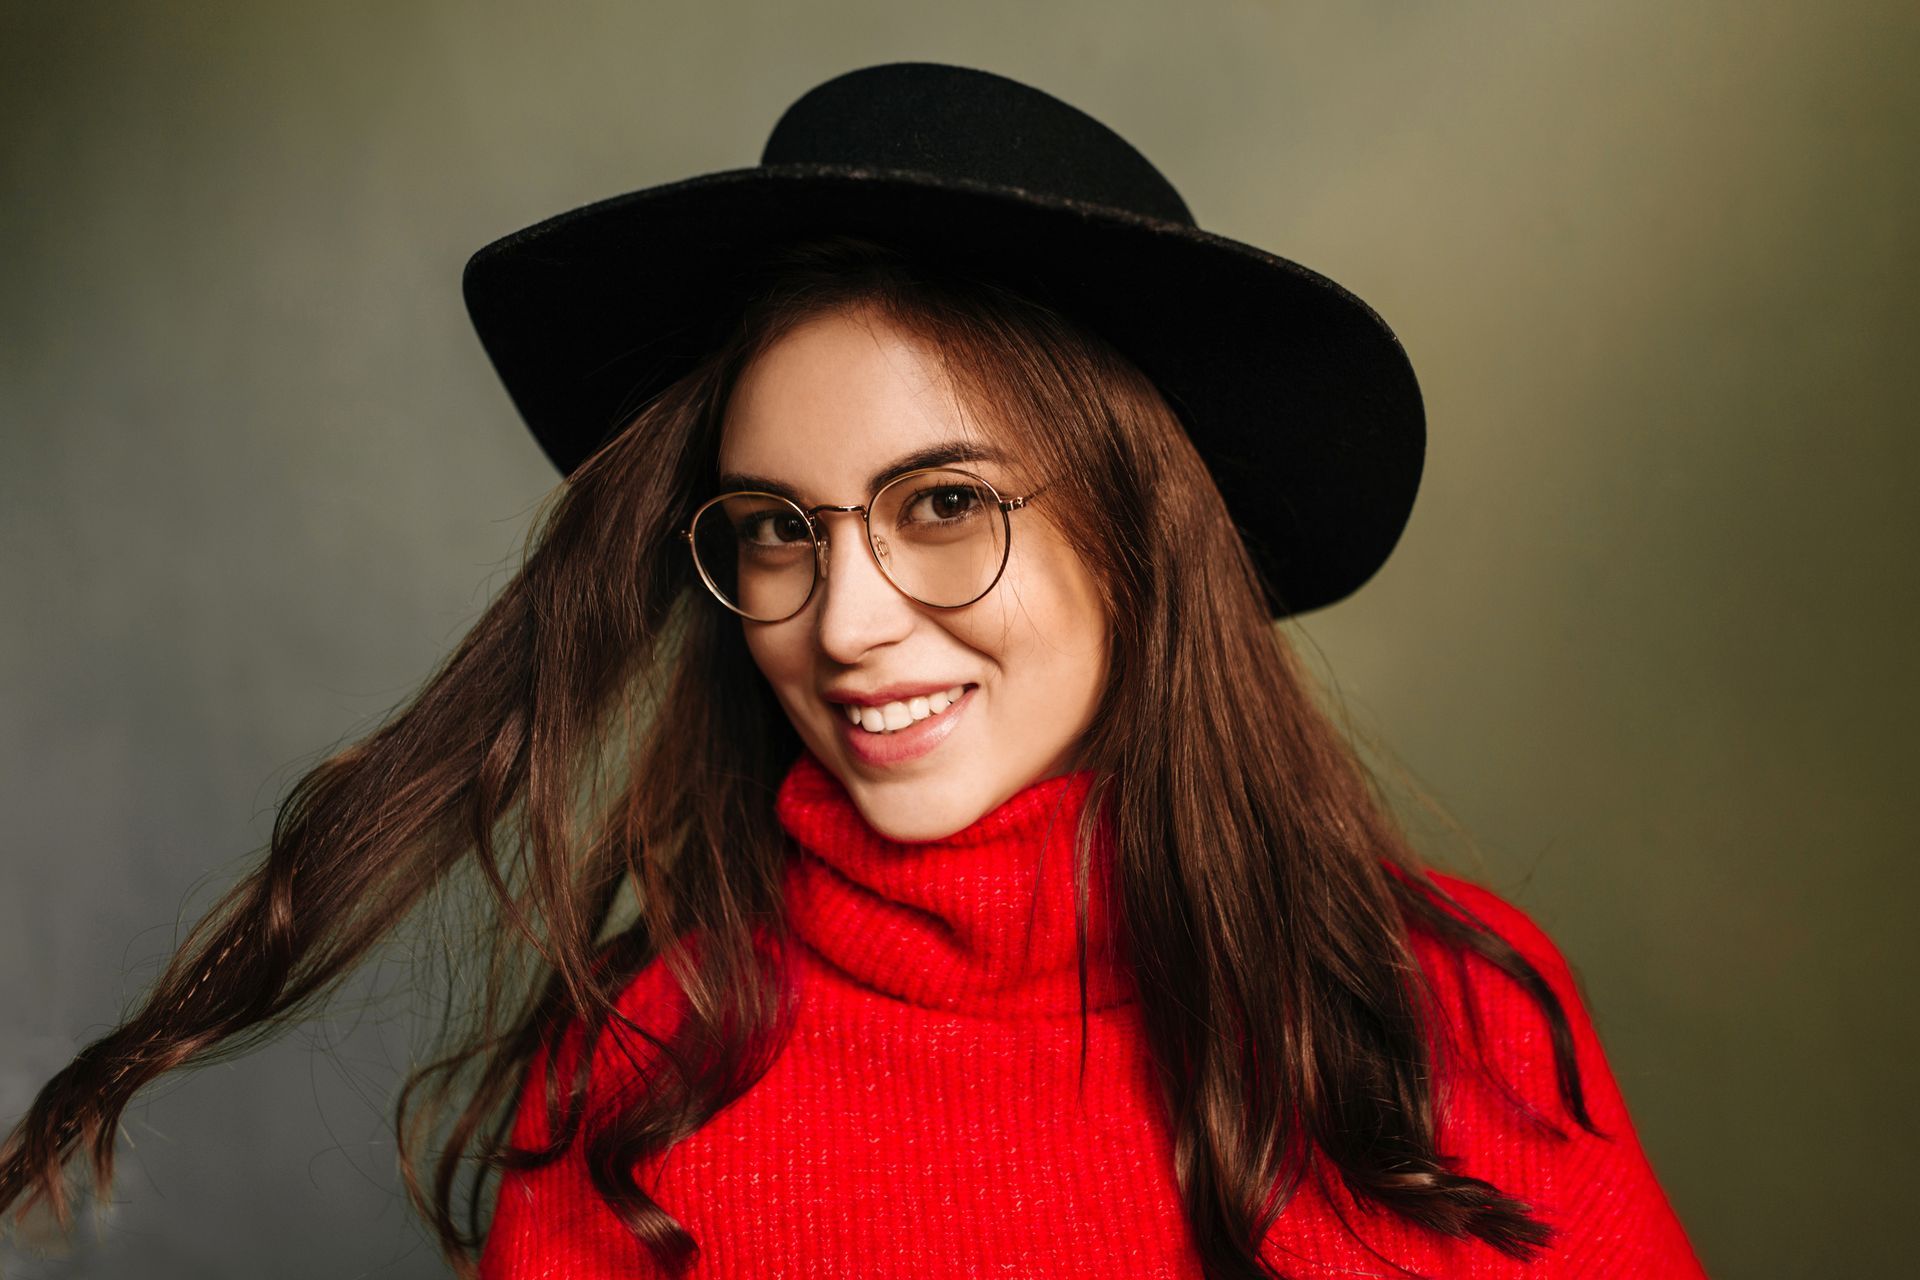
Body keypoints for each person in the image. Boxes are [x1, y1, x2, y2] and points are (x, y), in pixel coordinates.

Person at [0, 62, 1708, 1279]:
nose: (843, 622)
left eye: (945, 504)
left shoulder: (1449, 1016)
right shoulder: (637, 1084)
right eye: (776, 530)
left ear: (1143, 535)